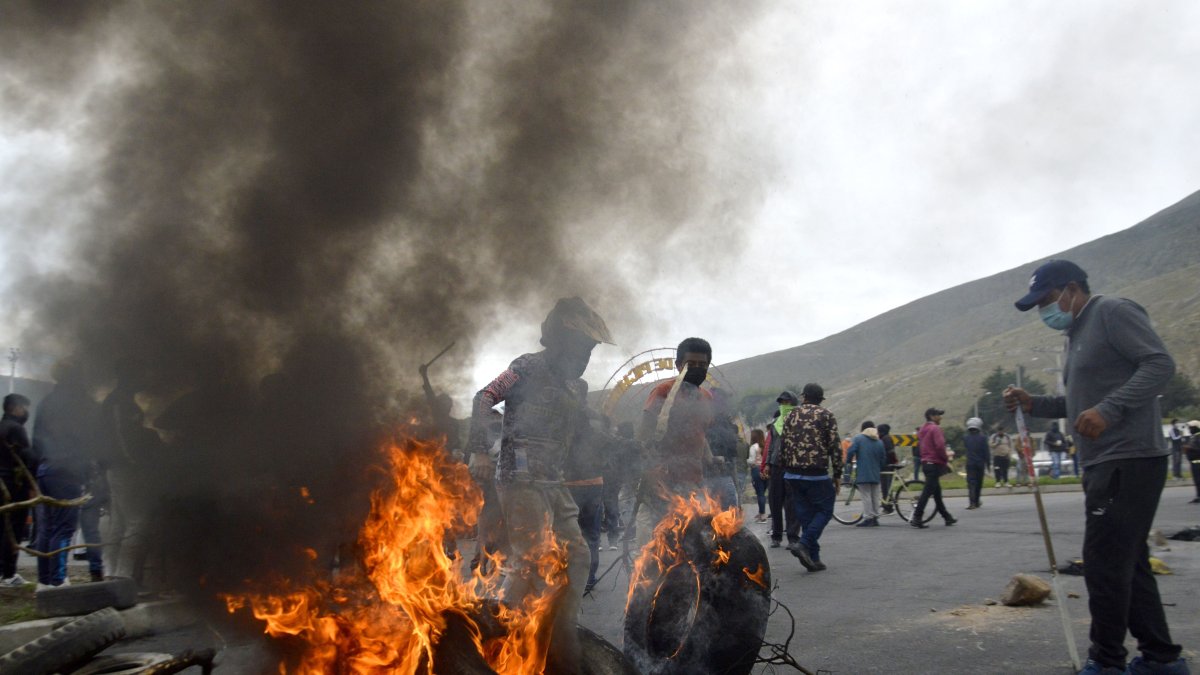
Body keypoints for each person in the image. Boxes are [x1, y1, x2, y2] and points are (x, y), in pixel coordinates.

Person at [1005, 259, 1186, 674]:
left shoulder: (1112, 312)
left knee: (1104, 563)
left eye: (1046, 300)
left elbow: (1159, 364)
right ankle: (1161, 658)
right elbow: (1078, 404)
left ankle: (1105, 662)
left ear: (1072, 289)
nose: (1042, 312)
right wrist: (1037, 404)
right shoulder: (1074, 334)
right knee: (1129, 562)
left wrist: (1110, 409)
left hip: (1129, 456)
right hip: (1103, 460)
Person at [465, 297, 612, 673]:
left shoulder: (576, 387)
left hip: (554, 482)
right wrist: (481, 450)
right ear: (560, 340)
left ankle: (561, 634)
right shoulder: (526, 367)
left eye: (590, 349)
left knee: (577, 556)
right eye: (581, 346)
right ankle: (504, 638)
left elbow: (578, 435)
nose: (585, 355)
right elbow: (484, 398)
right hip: (519, 479)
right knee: (534, 562)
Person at [636, 338, 715, 544]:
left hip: (692, 481)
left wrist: (711, 458)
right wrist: (649, 474)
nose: (697, 369)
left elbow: (702, 434)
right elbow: (643, 435)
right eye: (691, 364)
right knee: (653, 543)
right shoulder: (663, 392)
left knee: (690, 541)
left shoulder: (706, 398)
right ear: (678, 365)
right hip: (660, 480)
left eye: (702, 365)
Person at [777, 383, 841, 571]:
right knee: (825, 510)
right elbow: (835, 447)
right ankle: (804, 544)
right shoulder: (826, 415)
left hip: (792, 474)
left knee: (806, 516)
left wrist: (784, 471)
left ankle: (814, 558)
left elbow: (783, 445)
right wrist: (837, 474)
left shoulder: (790, 415)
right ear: (820, 399)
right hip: (816, 474)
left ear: (804, 397)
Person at [1, 394, 36, 587]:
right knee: (13, 530)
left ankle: (2, 571)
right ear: (15, 408)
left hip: (2, 485)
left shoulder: (2, 426)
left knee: (2, 529)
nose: (25, 412)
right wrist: (32, 487)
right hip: (16, 487)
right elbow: (28, 459)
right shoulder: (16, 429)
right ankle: (9, 574)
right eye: (24, 407)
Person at [762, 392, 799, 548]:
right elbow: (771, 446)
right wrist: (768, 464)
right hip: (776, 467)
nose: (784, 405)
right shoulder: (776, 422)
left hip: (792, 466)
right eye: (782, 403)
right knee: (774, 502)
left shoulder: (799, 421)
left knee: (792, 503)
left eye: (787, 402)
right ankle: (776, 536)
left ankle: (793, 538)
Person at [910, 407, 956, 528]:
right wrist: (945, 459)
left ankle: (947, 517)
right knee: (927, 492)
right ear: (931, 416)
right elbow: (940, 446)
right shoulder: (935, 428)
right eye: (938, 415)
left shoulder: (922, 429)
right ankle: (917, 517)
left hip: (925, 463)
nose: (940, 417)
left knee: (937, 493)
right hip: (934, 464)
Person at [844, 421, 886, 527]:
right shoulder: (879, 441)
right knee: (875, 496)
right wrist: (879, 467)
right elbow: (883, 458)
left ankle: (868, 518)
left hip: (863, 473)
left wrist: (848, 461)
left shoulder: (858, 439)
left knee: (866, 496)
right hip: (876, 473)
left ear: (863, 429)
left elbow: (850, 451)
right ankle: (875, 517)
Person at [963, 417, 989, 510]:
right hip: (980, 463)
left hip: (970, 463)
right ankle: (977, 501)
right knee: (979, 483)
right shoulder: (983, 437)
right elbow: (986, 452)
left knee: (971, 483)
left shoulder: (966, 438)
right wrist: (988, 464)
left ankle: (972, 503)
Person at [747, 429, 767, 523]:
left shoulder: (753, 447)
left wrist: (746, 461)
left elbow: (751, 461)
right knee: (763, 492)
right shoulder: (766, 445)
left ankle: (762, 515)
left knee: (760, 493)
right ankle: (761, 512)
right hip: (766, 470)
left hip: (756, 470)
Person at [1184, 421, 1200, 504]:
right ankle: (1198, 496)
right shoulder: (1193, 437)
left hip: (1198, 462)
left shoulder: (1198, 436)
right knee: (1197, 480)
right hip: (1194, 462)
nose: (1189, 429)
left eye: (1191, 428)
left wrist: (1189, 448)